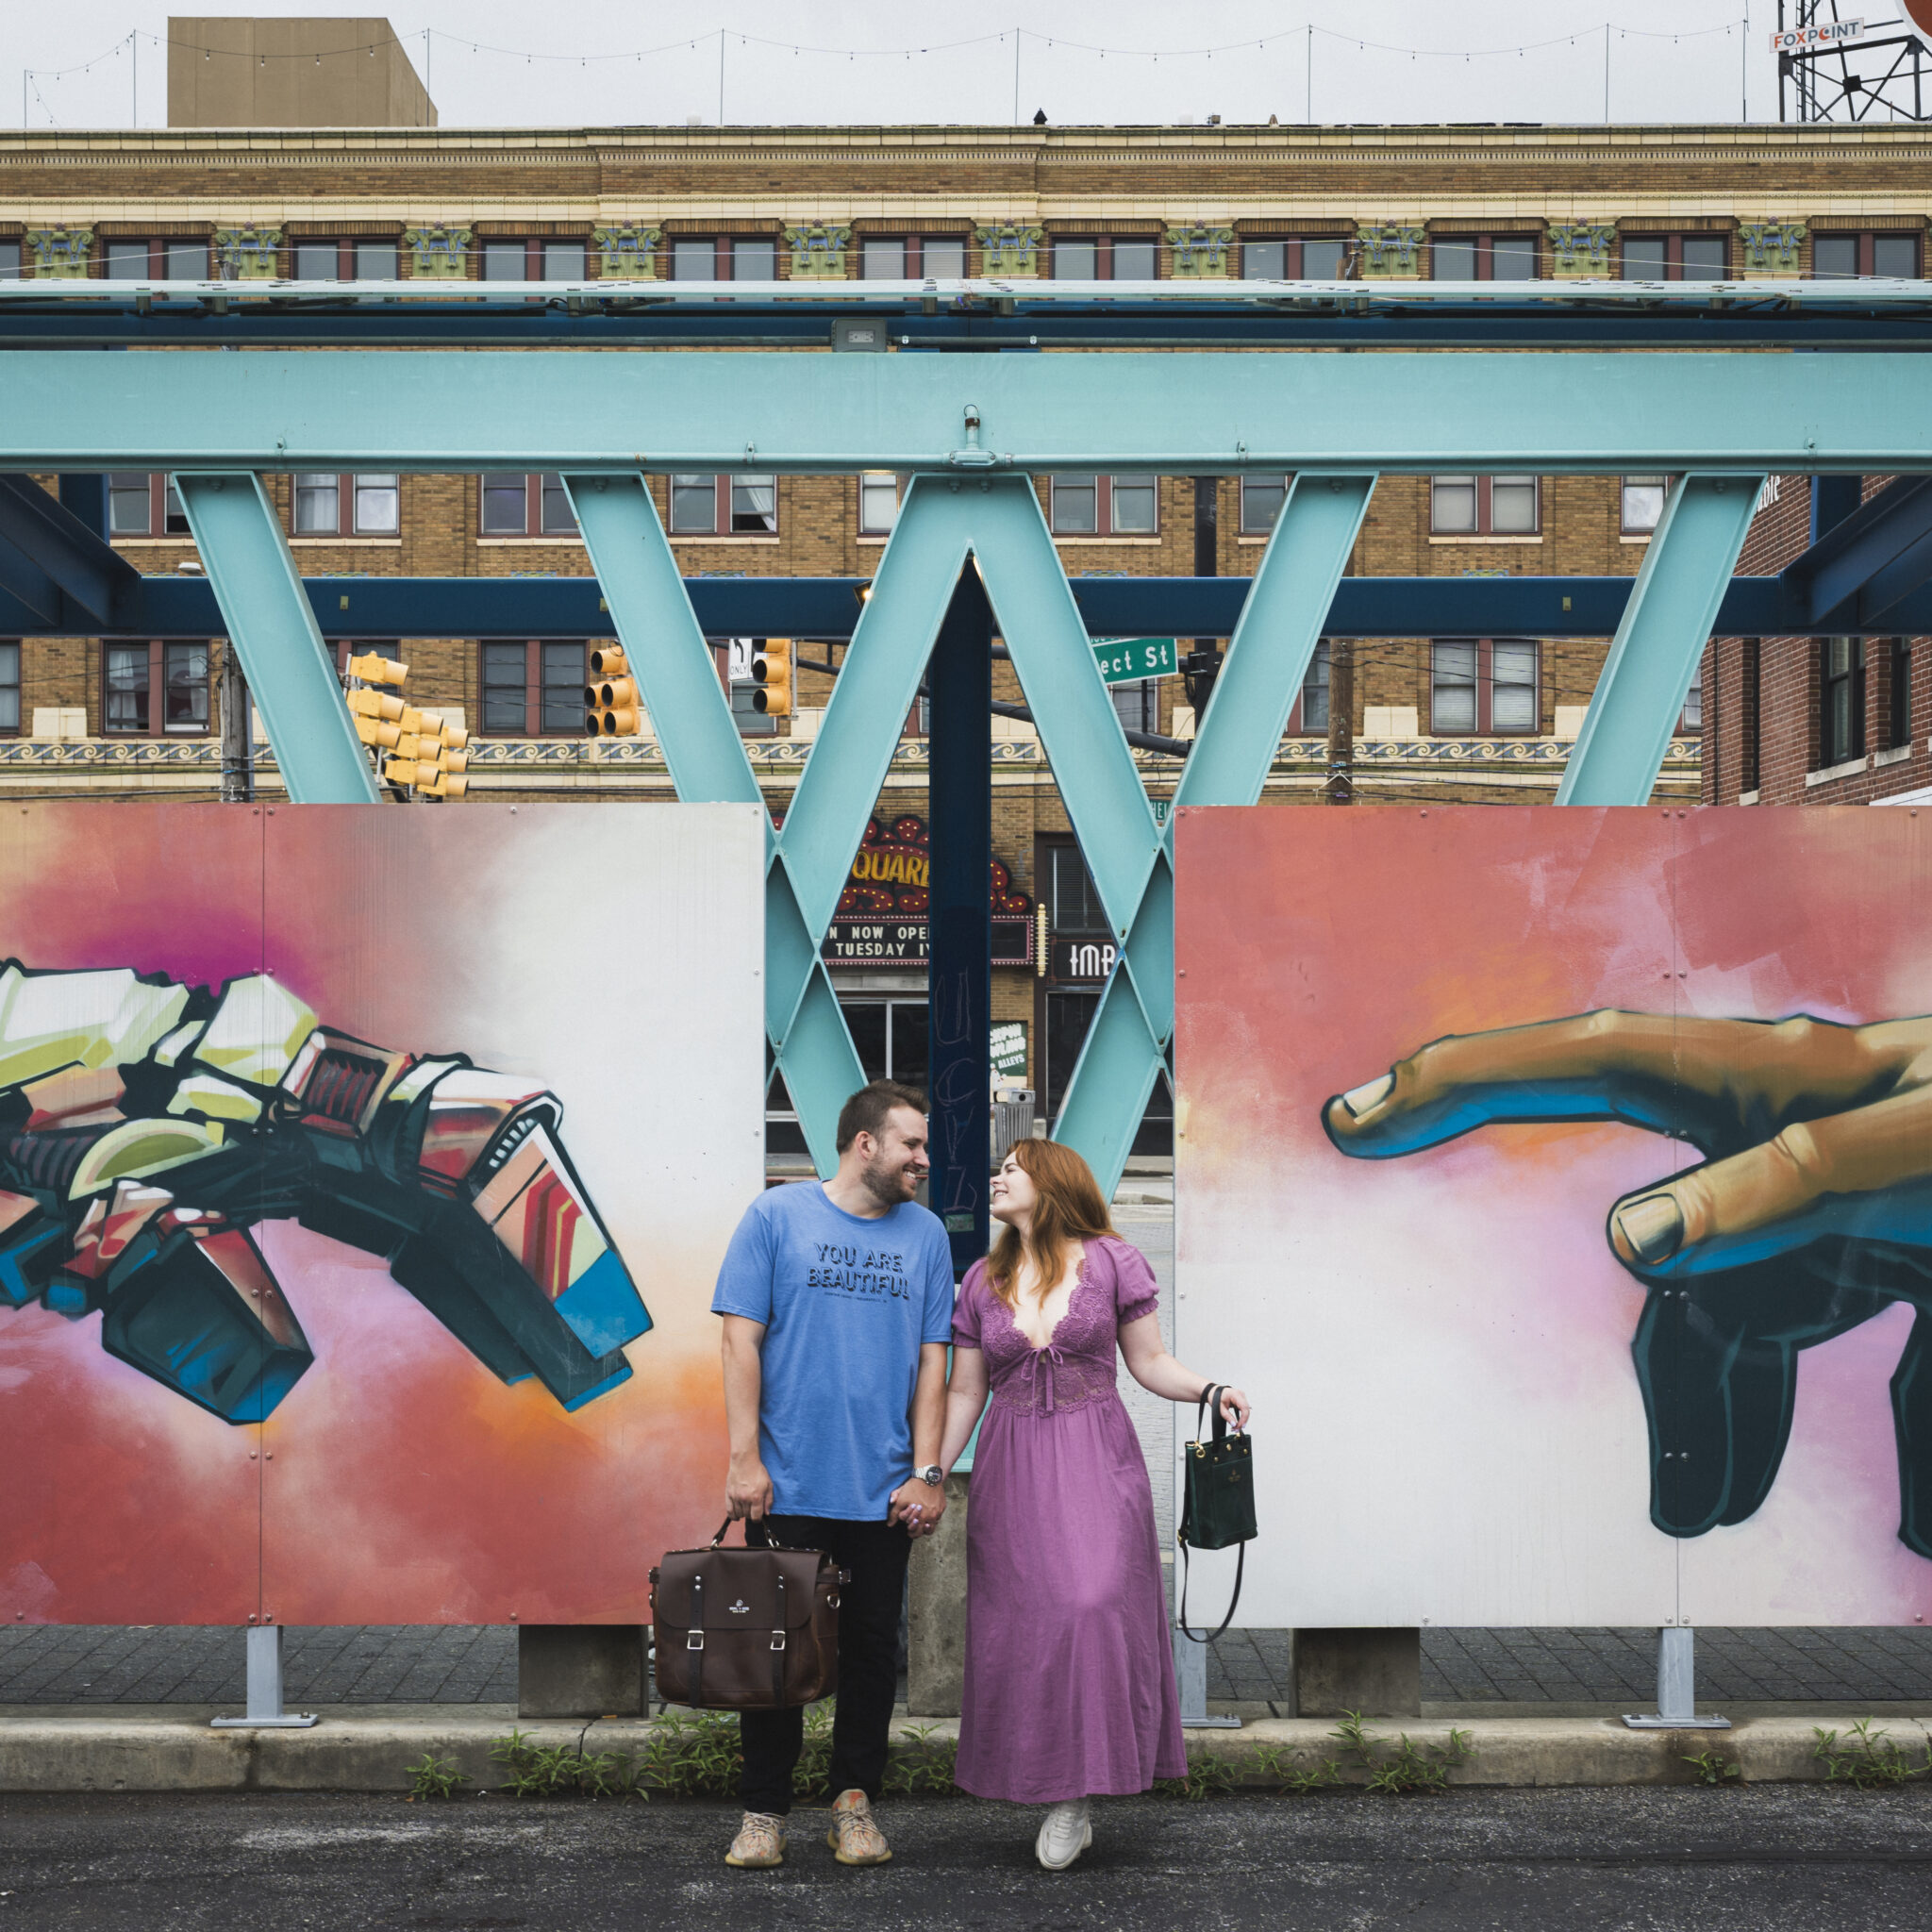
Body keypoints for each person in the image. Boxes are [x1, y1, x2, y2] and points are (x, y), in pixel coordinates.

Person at [936, 1139, 1252, 1872]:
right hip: (1013, 1467)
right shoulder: (983, 1280)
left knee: (1090, 1604)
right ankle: (1057, 1784)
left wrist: (1210, 1389)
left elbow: (1148, 1362)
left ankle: (1077, 1790)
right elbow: (964, 1390)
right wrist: (931, 1471)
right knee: (1027, 1625)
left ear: (1050, 1183)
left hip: (1097, 1458)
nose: (997, 1176)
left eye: (1011, 1167)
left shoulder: (1113, 1261)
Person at [710, 1079, 956, 1872]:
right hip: (787, 1484)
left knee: (872, 1653)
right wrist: (744, 1458)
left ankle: (853, 1803)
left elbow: (932, 1364)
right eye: (912, 1143)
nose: (925, 1157)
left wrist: (926, 1473)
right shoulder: (775, 1217)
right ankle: (763, 1812)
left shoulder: (924, 1236)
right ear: (866, 1144)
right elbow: (739, 1341)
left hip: (882, 1492)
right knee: (773, 1656)